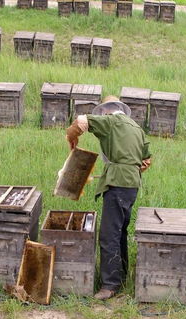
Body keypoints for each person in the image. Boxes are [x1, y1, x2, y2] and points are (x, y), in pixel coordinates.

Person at [65, 95, 152, 300]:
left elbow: (81, 121)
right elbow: (147, 159)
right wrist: (131, 165)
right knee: (120, 231)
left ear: (105, 111)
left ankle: (110, 285)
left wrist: (71, 137)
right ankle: (120, 276)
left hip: (118, 185)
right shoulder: (136, 128)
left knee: (108, 234)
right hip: (132, 185)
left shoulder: (110, 122)